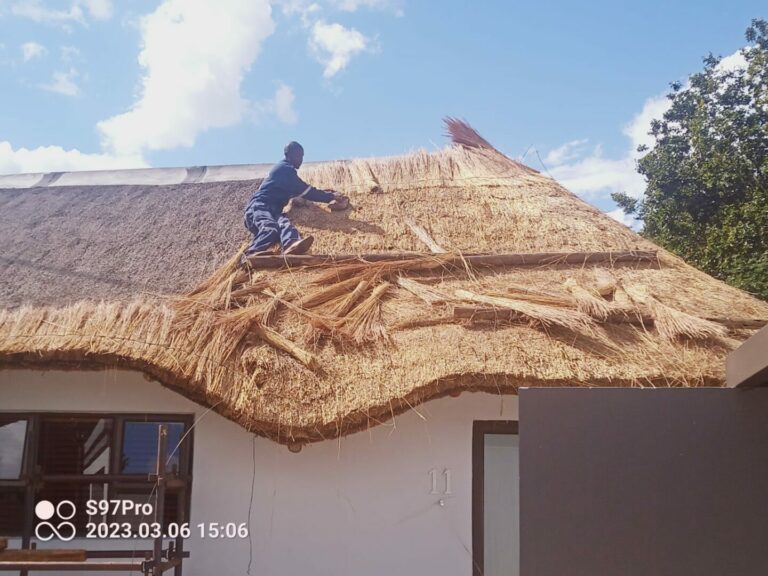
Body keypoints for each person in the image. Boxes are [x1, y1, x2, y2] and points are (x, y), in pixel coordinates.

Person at [243, 141, 346, 258]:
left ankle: (290, 245)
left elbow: (302, 191)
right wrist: (331, 197)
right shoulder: (284, 169)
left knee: (285, 225)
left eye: (302, 156)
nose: (301, 160)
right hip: (260, 206)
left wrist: (326, 192)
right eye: (298, 156)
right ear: (288, 155)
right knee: (270, 228)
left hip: (274, 210)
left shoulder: (287, 173)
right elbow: (307, 191)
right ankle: (251, 254)